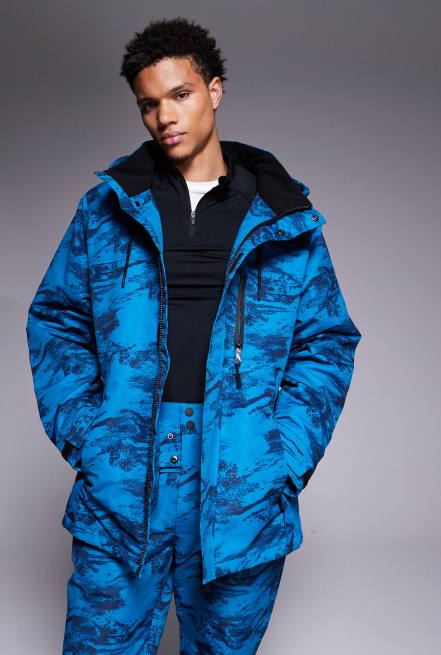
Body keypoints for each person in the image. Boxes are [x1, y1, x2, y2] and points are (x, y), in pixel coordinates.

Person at [26, 16, 362, 655]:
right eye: (148, 104)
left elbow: (326, 341)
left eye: (179, 95)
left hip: (241, 472)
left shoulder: (283, 218)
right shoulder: (106, 209)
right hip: (126, 468)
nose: (164, 117)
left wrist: (283, 456)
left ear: (214, 89)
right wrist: (92, 437)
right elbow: (57, 319)